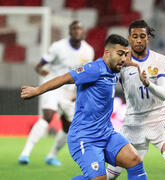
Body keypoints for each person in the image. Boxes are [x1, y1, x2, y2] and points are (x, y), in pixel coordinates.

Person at [20, 34, 148, 180]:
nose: (124, 59)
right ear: (107, 53)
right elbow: (64, 78)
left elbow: (128, 64)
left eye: (126, 54)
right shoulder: (93, 69)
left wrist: (137, 67)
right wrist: (37, 90)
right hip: (85, 137)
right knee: (99, 179)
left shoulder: (114, 68)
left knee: (135, 161)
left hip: (106, 134)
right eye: (120, 54)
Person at [107, 20, 165, 180]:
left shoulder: (161, 60)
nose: (139, 40)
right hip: (133, 122)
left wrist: (148, 83)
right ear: (129, 38)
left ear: (148, 38)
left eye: (142, 36)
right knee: (111, 174)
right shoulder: (122, 63)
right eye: (135, 36)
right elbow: (106, 84)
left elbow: (163, 94)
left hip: (159, 119)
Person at [18, 20, 94, 166]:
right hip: (53, 86)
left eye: (80, 28)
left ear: (83, 32)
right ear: (70, 31)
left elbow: (85, 75)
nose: (77, 31)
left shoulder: (88, 51)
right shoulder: (58, 46)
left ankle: (52, 155)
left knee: (69, 126)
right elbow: (39, 66)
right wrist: (42, 71)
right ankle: (25, 153)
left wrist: (78, 93)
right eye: (74, 28)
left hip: (70, 91)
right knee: (48, 116)